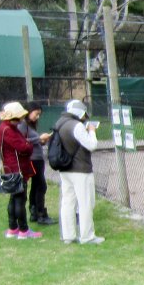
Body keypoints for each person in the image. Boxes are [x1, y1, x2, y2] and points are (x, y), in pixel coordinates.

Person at [52, 99, 103, 245]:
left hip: (65, 168)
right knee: (85, 202)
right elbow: (91, 145)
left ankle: (68, 235)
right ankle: (87, 236)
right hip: (80, 169)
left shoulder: (60, 123)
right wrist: (92, 132)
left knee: (68, 201)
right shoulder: (76, 126)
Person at [0, 101, 42, 239]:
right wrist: (29, 144)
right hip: (17, 169)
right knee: (20, 199)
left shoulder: (3, 128)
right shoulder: (10, 130)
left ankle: (13, 228)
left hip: (9, 168)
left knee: (13, 198)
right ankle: (23, 230)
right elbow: (24, 147)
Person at [17, 102, 55, 225]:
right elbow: (21, 141)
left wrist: (42, 141)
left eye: (39, 115)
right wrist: (38, 138)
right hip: (32, 159)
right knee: (41, 185)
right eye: (36, 114)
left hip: (38, 158)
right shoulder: (23, 124)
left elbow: (32, 141)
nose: (37, 117)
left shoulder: (31, 126)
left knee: (36, 186)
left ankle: (34, 212)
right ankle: (40, 213)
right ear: (29, 111)